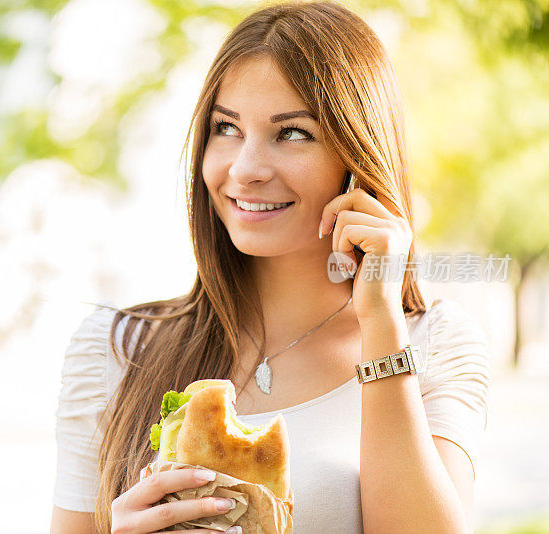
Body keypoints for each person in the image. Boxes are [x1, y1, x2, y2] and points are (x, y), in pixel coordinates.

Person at [50, 1, 491, 533]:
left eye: (293, 133)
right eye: (226, 128)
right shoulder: (116, 350)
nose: (246, 168)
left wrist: (381, 324)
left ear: (357, 160)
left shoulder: (435, 344)